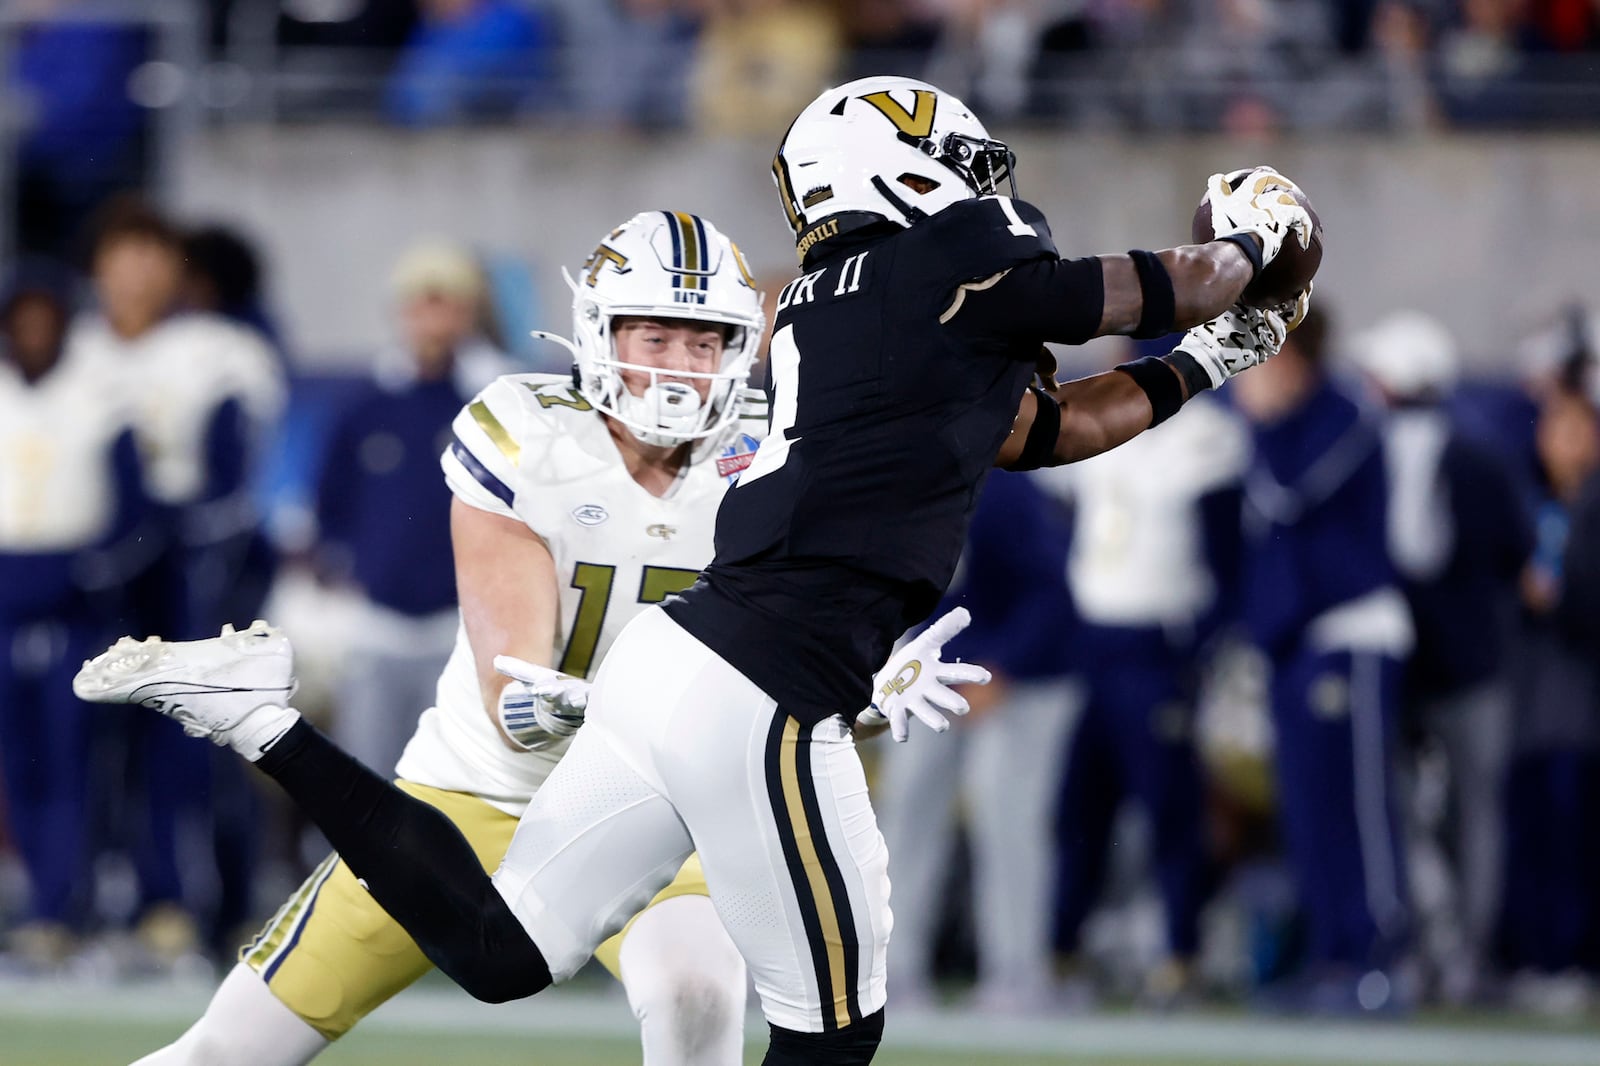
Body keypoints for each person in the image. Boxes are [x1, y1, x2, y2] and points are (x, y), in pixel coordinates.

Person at [79, 76, 1311, 1064]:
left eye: (700, 334)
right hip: (718, 700)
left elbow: (1056, 427)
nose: (677, 360)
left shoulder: (854, 321)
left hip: (688, 677)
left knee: (515, 958)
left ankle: (264, 724)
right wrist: (1258, 244)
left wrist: (1214, 356)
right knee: (836, 1031)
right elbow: (1165, 281)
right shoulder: (940, 265)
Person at [1231, 307, 1415, 1013]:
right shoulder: (1271, 423)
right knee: (1307, 811)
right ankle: (1333, 960)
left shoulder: (1346, 412)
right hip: (1293, 643)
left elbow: (1287, 493)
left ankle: (1380, 965)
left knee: (1360, 805)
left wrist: (1259, 424)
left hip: (1354, 638)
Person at [1347, 310, 1533, 1003]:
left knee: (1451, 814)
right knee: (1449, 815)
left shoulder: (1454, 456)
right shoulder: (1473, 452)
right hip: (1450, 661)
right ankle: (1447, 953)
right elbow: (1516, 552)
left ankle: (1449, 954)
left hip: (1446, 663)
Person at [0, 261, 152, 971]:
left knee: (71, 762)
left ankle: (69, 906)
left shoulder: (99, 400)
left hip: (70, 608)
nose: (32, 334)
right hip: (5, 601)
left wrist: (88, 576)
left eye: (43, 319)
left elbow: (134, 514)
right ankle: (40, 903)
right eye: (19, 321)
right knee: (17, 766)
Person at [311, 242, 509, 776]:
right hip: (378, 622)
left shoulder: (494, 403)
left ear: (469, 312)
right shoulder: (366, 405)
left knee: (456, 775)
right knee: (366, 773)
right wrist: (351, 569)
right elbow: (330, 501)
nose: (434, 319)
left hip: (464, 625)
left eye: (447, 303)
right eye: (421, 303)